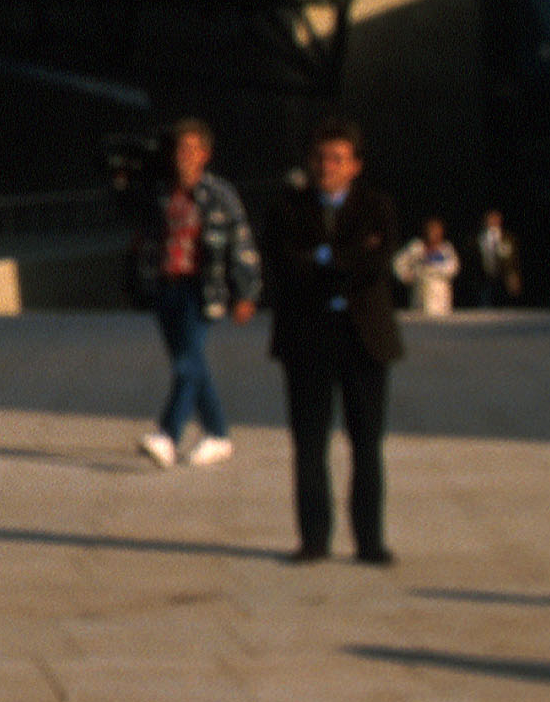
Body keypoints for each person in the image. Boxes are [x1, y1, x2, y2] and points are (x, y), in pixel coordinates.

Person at [265, 119, 405, 566]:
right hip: (307, 337)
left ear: (356, 166)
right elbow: (285, 266)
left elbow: (377, 263)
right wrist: (341, 259)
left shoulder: (378, 208)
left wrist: (323, 257)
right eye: (322, 158)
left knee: (366, 443)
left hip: (363, 337)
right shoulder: (288, 208)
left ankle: (369, 541)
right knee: (308, 444)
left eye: (338, 159)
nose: (328, 167)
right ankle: (313, 539)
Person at [130, 118, 260, 470]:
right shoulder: (161, 192)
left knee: (188, 363)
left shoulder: (220, 194)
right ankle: (218, 435)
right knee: (190, 365)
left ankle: (168, 435)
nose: (183, 156)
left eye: (191, 150)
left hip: (201, 288)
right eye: (179, 149)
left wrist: (246, 291)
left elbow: (241, 241)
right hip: (165, 285)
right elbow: (144, 235)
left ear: (205, 154)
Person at [393, 216, 461, 315]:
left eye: (437, 230)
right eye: (431, 230)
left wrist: (433, 269)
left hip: (440, 296)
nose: (434, 233)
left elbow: (454, 268)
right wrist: (406, 276)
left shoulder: (446, 249)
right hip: (420, 295)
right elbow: (398, 263)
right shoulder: (416, 247)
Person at [466, 208, 523, 308]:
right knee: (485, 310)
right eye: (490, 218)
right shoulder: (477, 238)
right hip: (483, 280)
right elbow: (471, 261)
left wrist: (514, 277)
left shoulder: (508, 238)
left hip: (504, 280)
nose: (493, 220)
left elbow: (514, 260)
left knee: (506, 310)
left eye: (496, 217)